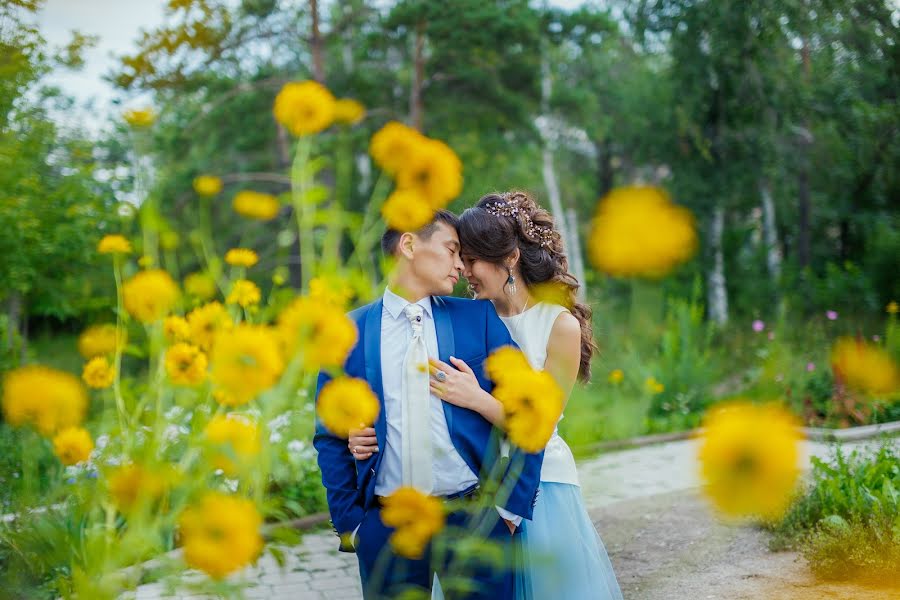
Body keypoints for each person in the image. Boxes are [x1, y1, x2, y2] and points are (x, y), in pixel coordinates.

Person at [349, 192, 623, 599]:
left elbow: (540, 425)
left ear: (509, 258)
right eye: (459, 256)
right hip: (480, 485)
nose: (463, 270)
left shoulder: (558, 326)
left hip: (542, 483)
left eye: (472, 259)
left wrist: (476, 398)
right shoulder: (467, 316)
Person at [314, 209, 544, 600]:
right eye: (452, 250)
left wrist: (508, 510)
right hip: (388, 526)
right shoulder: (347, 334)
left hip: (474, 517)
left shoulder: (479, 319)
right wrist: (353, 526)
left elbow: (533, 413)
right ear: (408, 245)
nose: (461, 265)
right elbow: (329, 438)